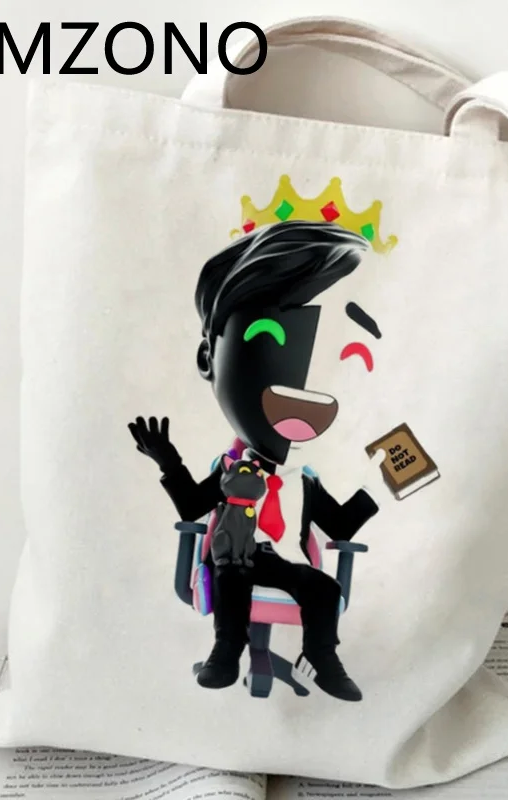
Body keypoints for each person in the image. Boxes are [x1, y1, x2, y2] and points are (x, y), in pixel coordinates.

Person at [129, 220, 385, 702]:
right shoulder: (232, 470)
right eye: (269, 343)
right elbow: (192, 506)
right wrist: (169, 461)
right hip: (238, 557)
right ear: (209, 357)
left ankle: (322, 659)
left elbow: (339, 525)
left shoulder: (304, 480)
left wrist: (384, 484)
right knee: (233, 575)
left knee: (323, 588)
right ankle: (227, 650)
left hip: (283, 562)